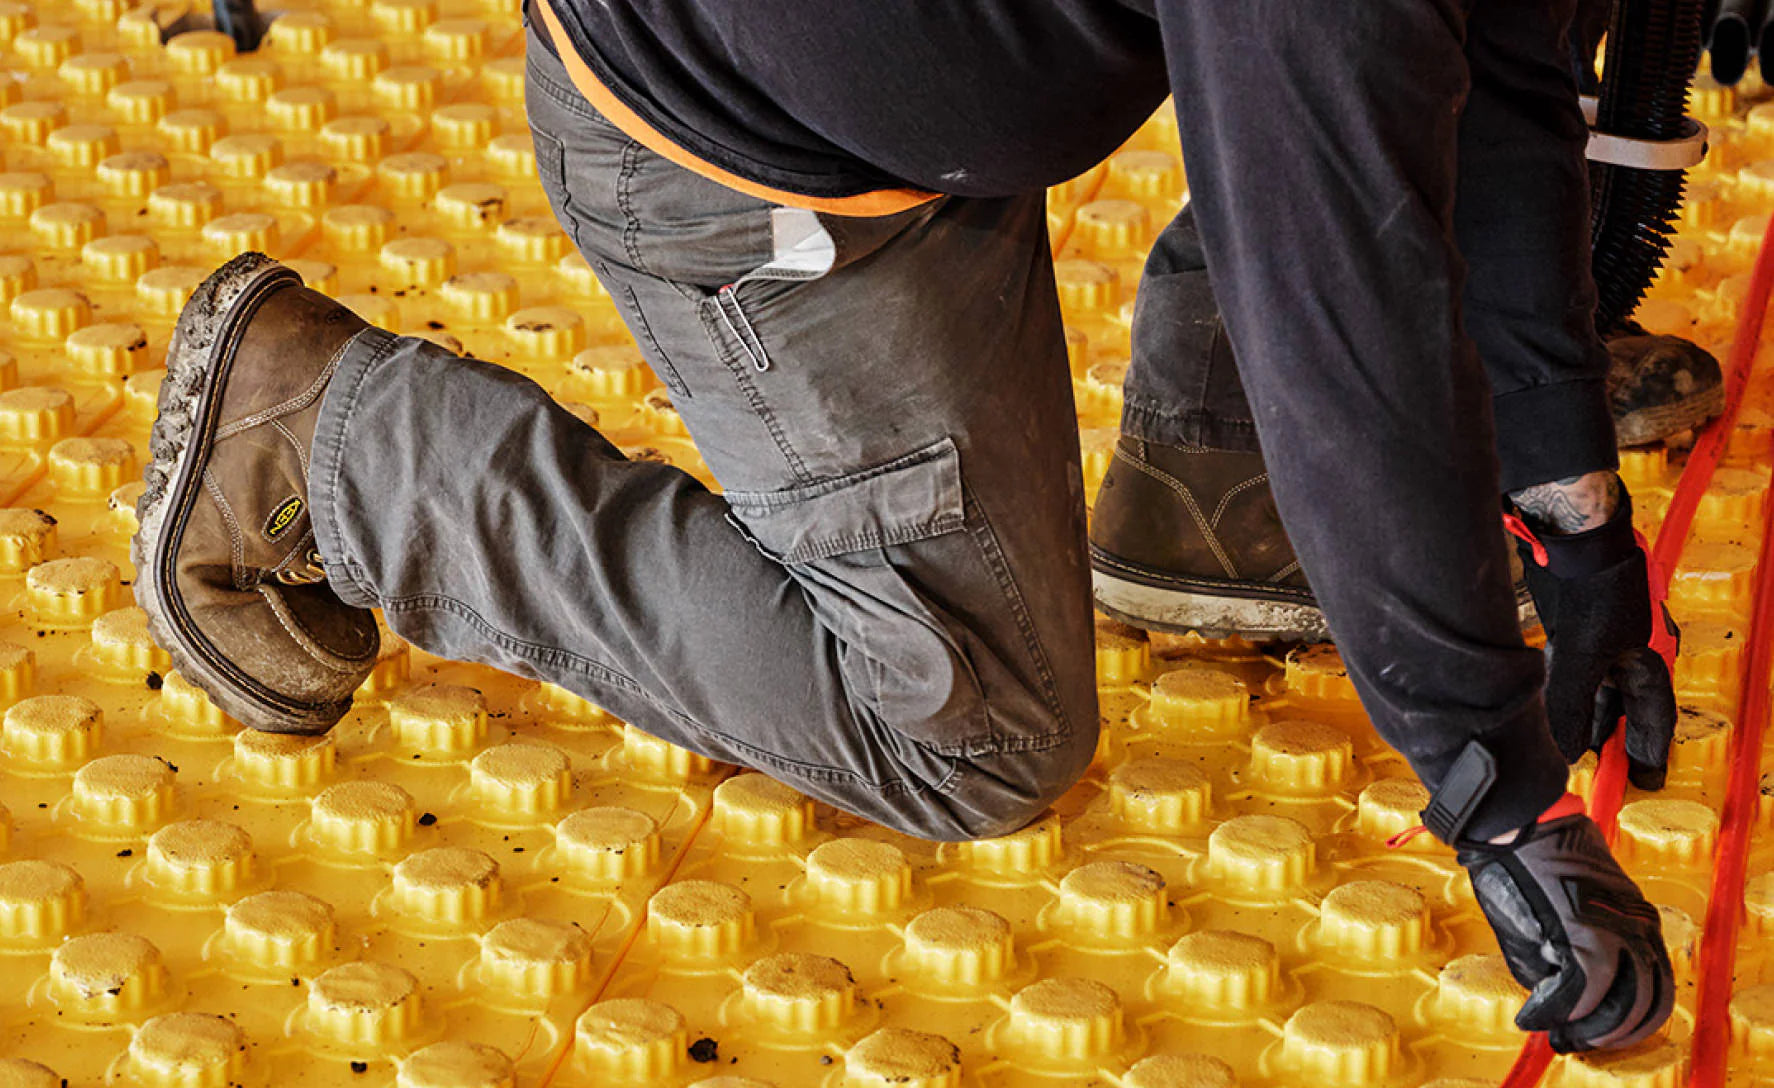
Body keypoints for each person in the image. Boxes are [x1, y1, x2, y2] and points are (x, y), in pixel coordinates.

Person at [133, 0, 1674, 1053]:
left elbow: (1499, 95)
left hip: (901, 119)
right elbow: (1339, 310)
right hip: (718, 148)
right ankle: (343, 446)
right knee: (976, 739)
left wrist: (1574, 516)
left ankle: (1205, 500)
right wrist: (1495, 788)